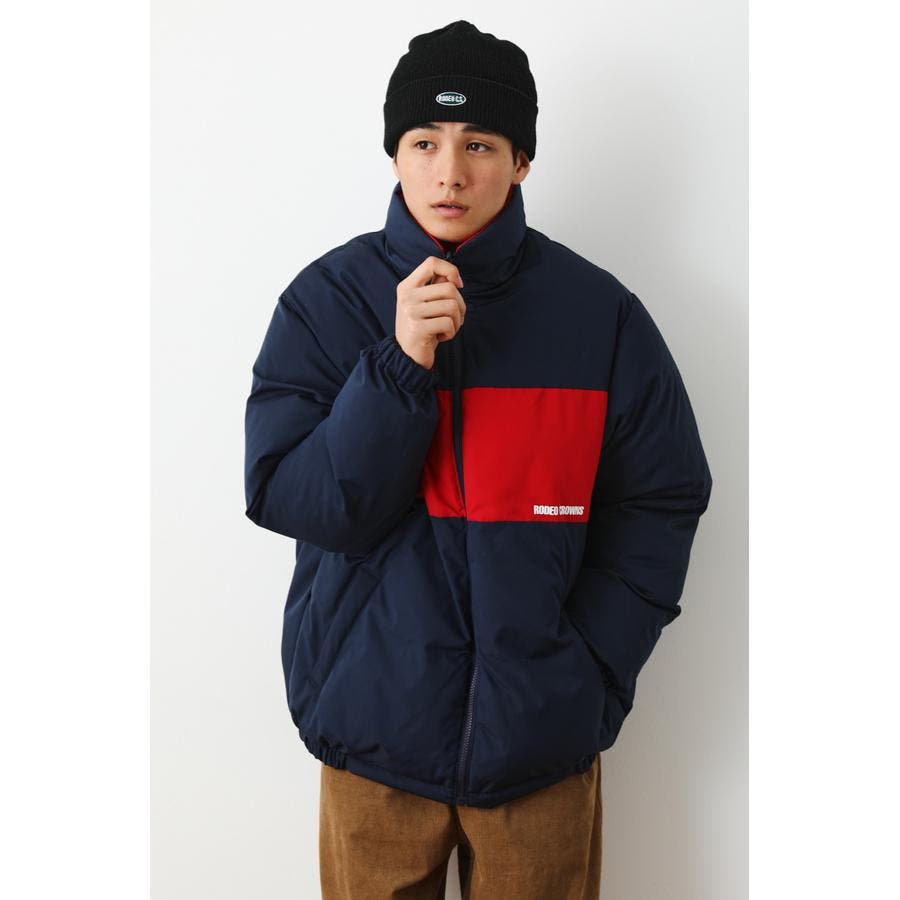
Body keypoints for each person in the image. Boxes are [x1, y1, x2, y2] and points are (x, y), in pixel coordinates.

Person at [244, 19, 713, 899]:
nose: (449, 173)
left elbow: (661, 497)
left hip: (539, 749)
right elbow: (296, 499)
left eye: (480, 144)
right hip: (372, 741)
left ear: (521, 160)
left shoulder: (600, 316)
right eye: (424, 142)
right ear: (395, 153)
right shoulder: (325, 304)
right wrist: (397, 367)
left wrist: (585, 668)